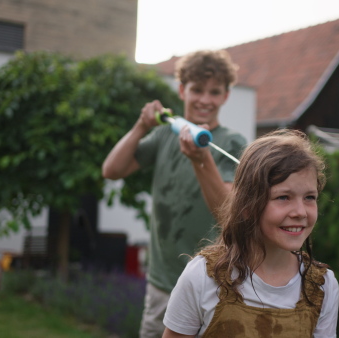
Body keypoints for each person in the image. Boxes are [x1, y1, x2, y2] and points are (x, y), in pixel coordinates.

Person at [102, 50, 247, 337]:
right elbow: (111, 170)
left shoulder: (233, 142)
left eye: (215, 92)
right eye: (197, 90)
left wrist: (200, 159)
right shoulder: (164, 135)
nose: (205, 99)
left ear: (226, 96)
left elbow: (226, 211)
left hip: (212, 284)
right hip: (162, 283)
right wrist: (142, 125)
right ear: (182, 90)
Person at [163, 129, 339, 338]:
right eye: (283, 197)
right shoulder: (203, 277)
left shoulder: (322, 287)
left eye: (309, 197)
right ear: (246, 206)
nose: (300, 212)